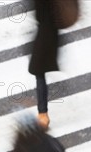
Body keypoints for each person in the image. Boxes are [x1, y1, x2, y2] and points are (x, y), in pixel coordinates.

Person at [29, 0, 60, 129]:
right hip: (48, 30)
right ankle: (43, 113)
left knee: (38, 70)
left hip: (46, 32)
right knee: (39, 70)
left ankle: (43, 114)